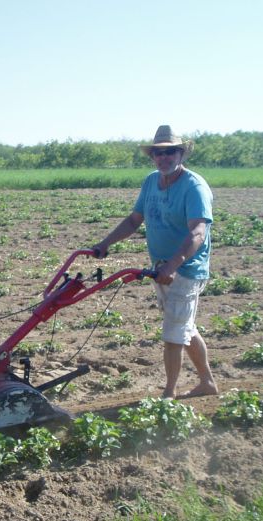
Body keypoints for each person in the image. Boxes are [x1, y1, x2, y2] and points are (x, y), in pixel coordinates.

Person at [93, 125, 218, 400]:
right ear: (153, 156)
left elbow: (198, 232)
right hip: (162, 267)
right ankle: (207, 382)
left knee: (174, 333)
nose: (164, 158)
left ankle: (168, 395)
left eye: (170, 152)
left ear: (181, 153)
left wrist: (172, 266)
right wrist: (104, 244)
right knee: (184, 327)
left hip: (185, 269)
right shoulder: (151, 181)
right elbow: (134, 220)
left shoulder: (194, 186)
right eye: (158, 153)